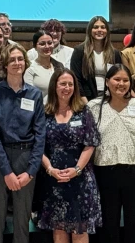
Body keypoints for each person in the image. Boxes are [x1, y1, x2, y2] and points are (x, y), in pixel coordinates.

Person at [88, 64, 135, 243]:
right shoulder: (94, 107)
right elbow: (87, 142)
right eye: (116, 79)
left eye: (125, 80)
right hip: (104, 173)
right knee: (107, 226)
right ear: (107, 82)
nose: (121, 84)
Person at [0, 44, 47, 243]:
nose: (17, 63)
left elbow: (40, 134)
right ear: (4, 64)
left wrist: (31, 171)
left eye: (20, 59)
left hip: (25, 157)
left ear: (25, 63)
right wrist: (6, 171)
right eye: (12, 60)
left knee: (22, 218)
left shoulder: (34, 94)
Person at [37, 68, 101, 242]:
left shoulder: (83, 111)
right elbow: (38, 147)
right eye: (63, 84)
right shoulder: (44, 113)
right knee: (59, 229)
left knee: (79, 230)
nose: (67, 88)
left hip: (81, 179)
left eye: (70, 84)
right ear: (54, 86)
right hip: (54, 180)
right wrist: (50, 169)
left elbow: (90, 144)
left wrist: (77, 169)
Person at [70, 16, 121, 102]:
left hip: (109, 98)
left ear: (107, 31)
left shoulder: (114, 53)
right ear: (90, 30)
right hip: (86, 98)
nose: (99, 30)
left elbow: (119, 77)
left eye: (103, 27)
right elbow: (76, 79)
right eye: (96, 27)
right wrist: (85, 103)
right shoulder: (80, 51)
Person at [26, 30, 66, 102]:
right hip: (39, 107)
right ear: (35, 46)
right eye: (42, 44)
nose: (47, 46)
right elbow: (29, 95)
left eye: (50, 43)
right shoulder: (29, 67)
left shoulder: (59, 65)